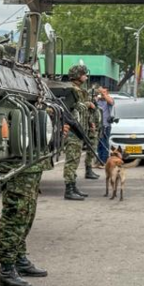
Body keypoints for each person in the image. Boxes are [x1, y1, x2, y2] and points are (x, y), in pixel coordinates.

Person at [0, 157, 48, 286]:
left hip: (32, 161)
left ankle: (19, 259)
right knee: (16, 214)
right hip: (16, 163)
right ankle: (6, 269)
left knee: (27, 213)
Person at [62, 65, 94, 200]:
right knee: (71, 161)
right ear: (78, 75)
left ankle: (73, 187)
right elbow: (66, 110)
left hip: (79, 130)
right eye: (84, 74)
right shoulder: (71, 90)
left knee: (74, 161)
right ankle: (69, 189)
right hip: (73, 131)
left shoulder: (79, 90)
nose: (86, 76)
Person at [94, 86, 115, 167]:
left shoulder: (109, 100)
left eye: (104, 92)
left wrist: (103, 93)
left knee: (104, 143)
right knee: (99, 144)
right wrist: (97, 96)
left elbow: (111, 102)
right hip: (97, 126)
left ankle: (104, 162)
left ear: (107, 93)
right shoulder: (98, 100)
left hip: (105, 126)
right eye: (101, 93)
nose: (102, 94)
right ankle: (99, 161)